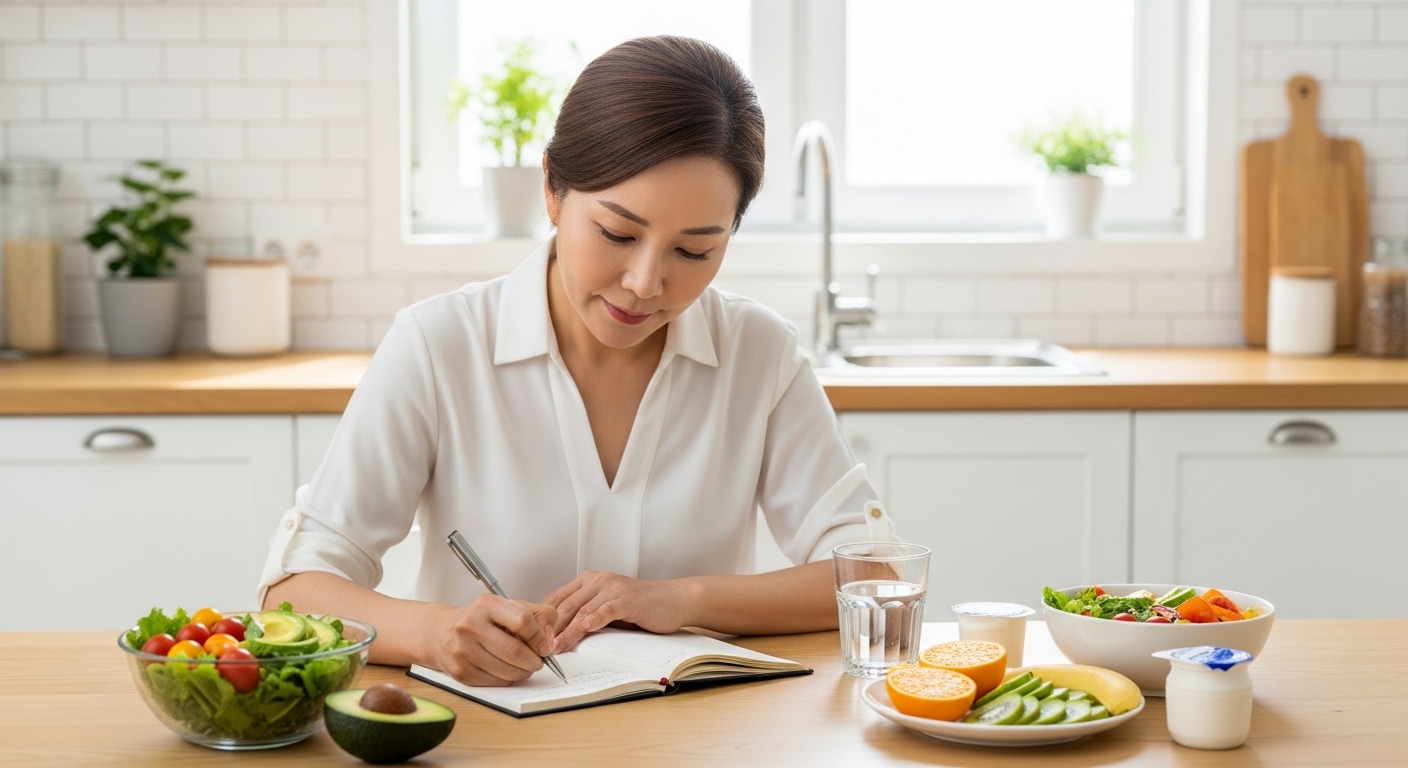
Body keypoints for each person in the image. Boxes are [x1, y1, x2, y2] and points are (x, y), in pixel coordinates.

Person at [258, 35, 897, 687]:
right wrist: (436, 634)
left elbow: (876, 576)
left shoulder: (758, 351)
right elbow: (293, 592)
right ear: (553, 191)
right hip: (494, 737)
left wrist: (684, 600)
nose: (646, 282)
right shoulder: (439, 343)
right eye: (618, 234)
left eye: (695, 252)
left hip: (703, 739)